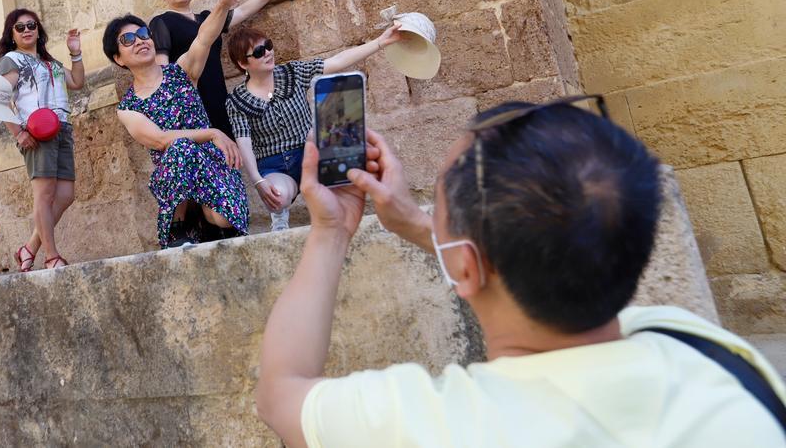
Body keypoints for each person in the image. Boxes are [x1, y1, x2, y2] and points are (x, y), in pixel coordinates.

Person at [256, 98, 786, 447]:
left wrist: (330, 229)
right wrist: (424, 225)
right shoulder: (708, 350)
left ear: (465, 264)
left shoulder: (436, 425)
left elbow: (281, 393)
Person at [105, 0, 249, 248]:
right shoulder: (128, 108)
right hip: (176, 184)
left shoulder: (180, 72)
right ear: (118, 58)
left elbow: (204, 38)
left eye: (143, 34)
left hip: (211, 166)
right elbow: (160, 140)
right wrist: (211, 132)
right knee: (179, 148)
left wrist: (222, 3)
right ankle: (178, 229)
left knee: (224, 221)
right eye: (128, 39)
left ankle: (210, 222)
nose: (140, 41)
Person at [225, 24, 401, 231]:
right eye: (258, 52)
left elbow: (336, 62)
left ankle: (340, 199)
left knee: (319, 129)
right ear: (243, 63)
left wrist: (381, 42)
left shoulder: (292, 73)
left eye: (268, 45)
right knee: (278, 198)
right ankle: (280, 215)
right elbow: (244, 143)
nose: (268, 53)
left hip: (308, 152)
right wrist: (257, 181)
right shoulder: (236, 101)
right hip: (274, 164)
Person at [148, 0, 297, 138]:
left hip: (219, 99)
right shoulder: (161, 22)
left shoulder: (206, 18)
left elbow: (241, 12)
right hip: (193, 105)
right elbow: (163, 73)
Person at [0, 9, 85, 271]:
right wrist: (19, 133)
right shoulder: (11, 60)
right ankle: (51, 256)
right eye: (20, 27)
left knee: (66, 195)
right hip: (37, 132)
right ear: (11, 34)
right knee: (44, 196)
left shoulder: (51, 62)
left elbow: (77, 82)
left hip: (62, 129)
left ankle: (29, 248)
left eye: (31, 25)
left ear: (38, 29)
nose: (26, 30)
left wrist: (75, 52)